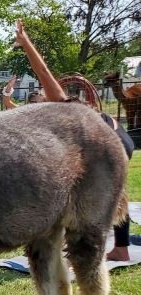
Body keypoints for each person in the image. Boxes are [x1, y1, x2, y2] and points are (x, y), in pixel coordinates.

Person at [14, 18, 134, 261]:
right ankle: (120, 247)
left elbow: (44, 73)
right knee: (115, 192)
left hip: (109, 143)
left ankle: (90, 252)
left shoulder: (64, 106)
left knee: (89, 197)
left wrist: (26, 43)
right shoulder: (80, 112)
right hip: (119, 138)